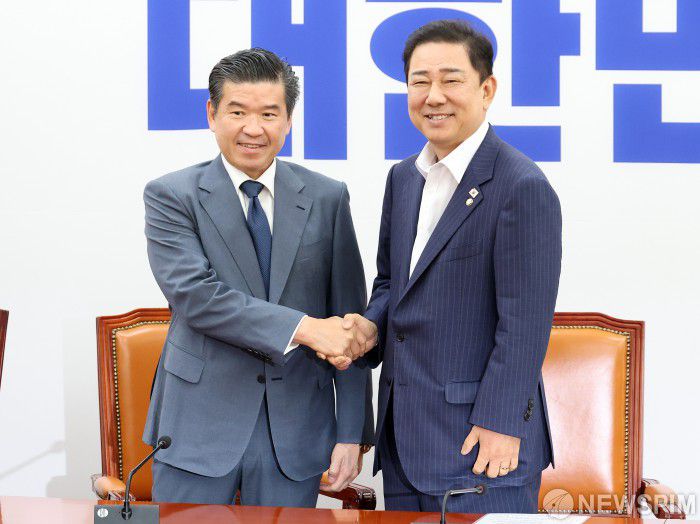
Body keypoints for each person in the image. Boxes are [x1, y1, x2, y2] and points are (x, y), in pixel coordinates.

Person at [345, 20, 562, 513]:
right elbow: (392, 283)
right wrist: (368, 328)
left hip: (480, 447)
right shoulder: (404, 178)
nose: (433, 96)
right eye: (419, 81)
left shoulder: (521, 185)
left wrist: (501, 422)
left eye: (451, 80)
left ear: (487, 89)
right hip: (404, 439)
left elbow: (526, 323)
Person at [142, 48, 374, 507]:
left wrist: (351, 432)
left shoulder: (327, 198)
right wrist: (306, 328)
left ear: (288, 121)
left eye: (269, 114)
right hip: (198, 427)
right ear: (212, 114)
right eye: (238, 112)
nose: (254, 128)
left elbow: (350, 320)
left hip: (295, 430)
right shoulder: (171, 195)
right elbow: (198, 298)